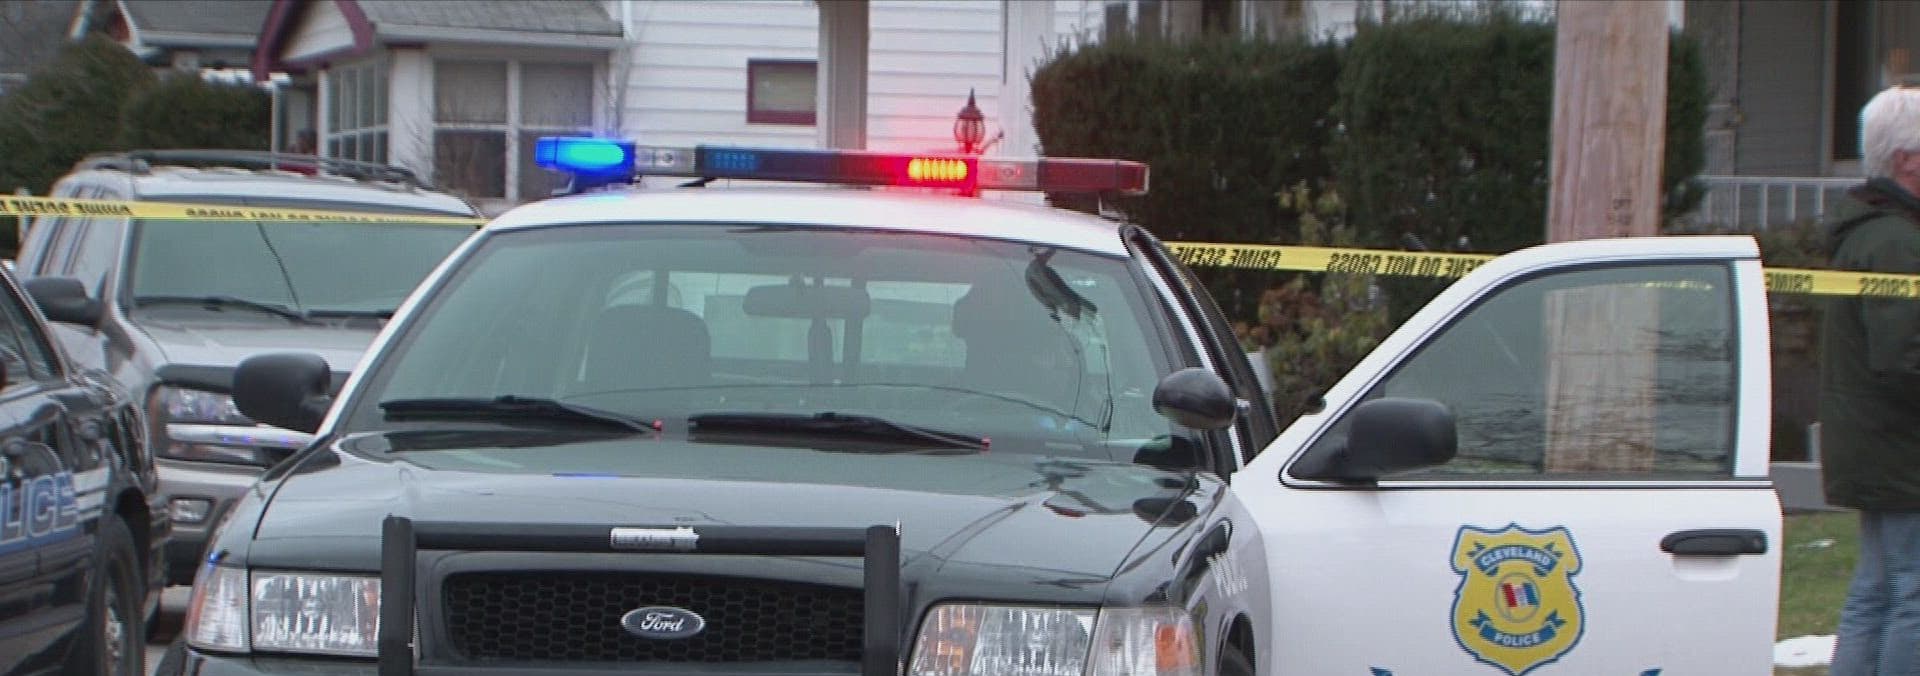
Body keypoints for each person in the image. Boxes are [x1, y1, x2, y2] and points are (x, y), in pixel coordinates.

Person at [1823, 84, 1920, 676]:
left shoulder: (1871, 232)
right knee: (1913, 596)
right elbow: (1905, 357)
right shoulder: (1896, 243)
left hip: (1877, 445)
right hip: (1902, 450)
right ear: (1907, 160)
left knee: (1878, 589)